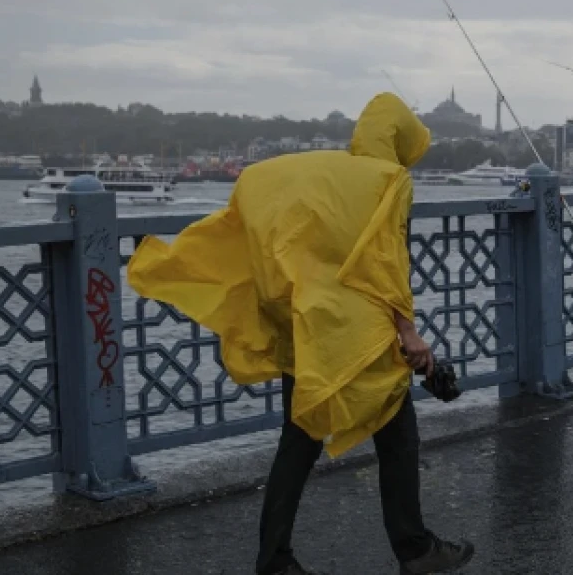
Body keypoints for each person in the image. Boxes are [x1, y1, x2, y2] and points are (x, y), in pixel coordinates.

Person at [127, 92, 475, 575]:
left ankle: (274, 559)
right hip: (356, 331)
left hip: (302, 319)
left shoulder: (323, 172)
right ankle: (415, 550)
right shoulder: (389, 181)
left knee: (298, 439)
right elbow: (385, 263)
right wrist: (408, 331)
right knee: (398, 438)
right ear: (400, 137)